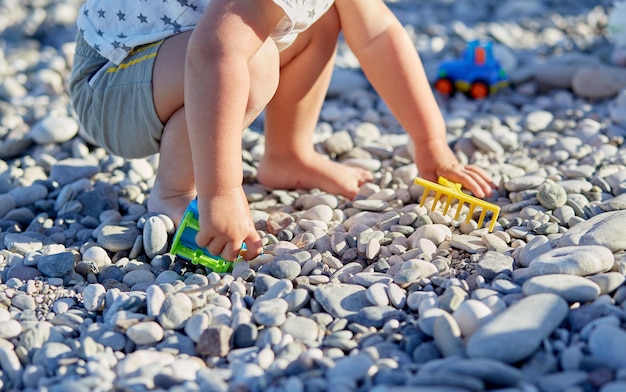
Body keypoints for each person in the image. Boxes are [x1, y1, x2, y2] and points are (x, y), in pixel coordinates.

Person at [70, 0, 495, 263]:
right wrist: (223, 192)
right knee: (252, 62)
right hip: (110, 82)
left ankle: (288, 153)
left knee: (323, 17)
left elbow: (379, 35)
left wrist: (430, 143)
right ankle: (176, 191)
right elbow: (214, 52)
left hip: (165, 64)